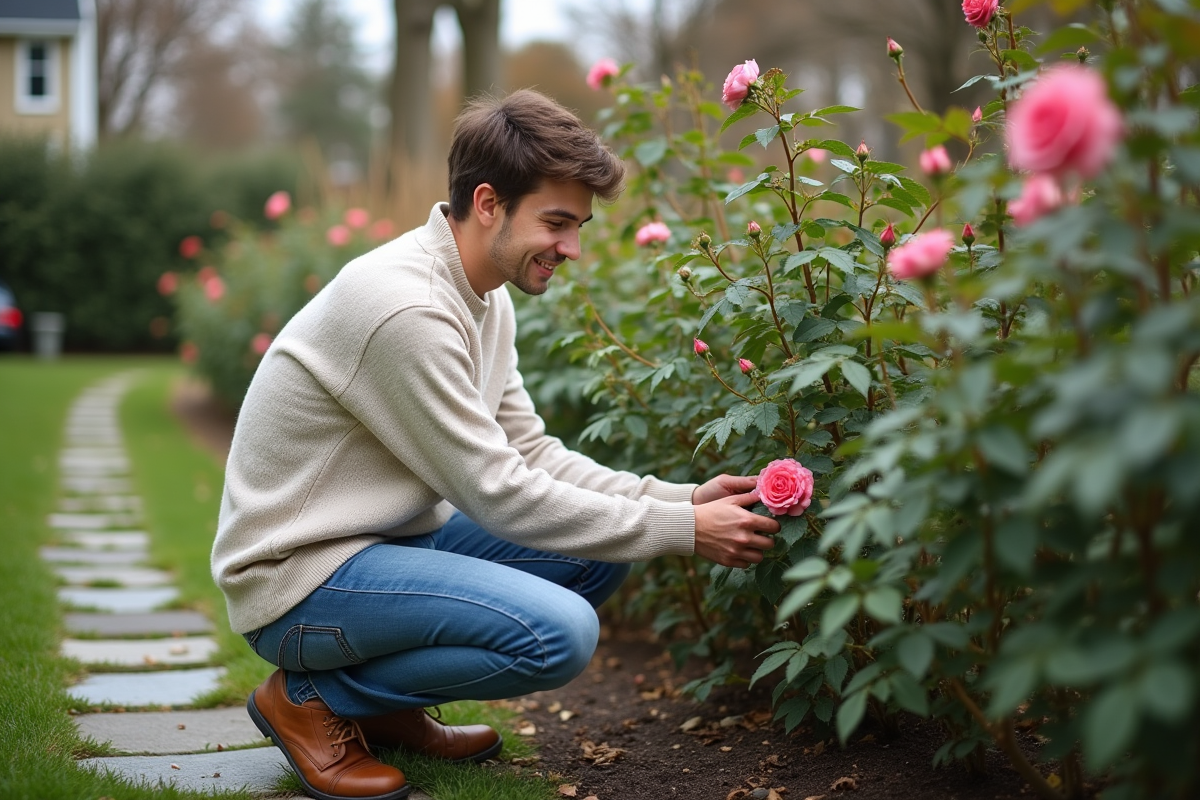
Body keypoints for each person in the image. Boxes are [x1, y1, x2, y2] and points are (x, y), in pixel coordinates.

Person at [211, 88, 780, 800]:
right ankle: (310, 698)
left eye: (579, 226)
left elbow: (531, 454)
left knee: (599, 556)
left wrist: (677, 501)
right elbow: (498, 493)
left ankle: (380, 707)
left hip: (380, 546)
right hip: (298, 576)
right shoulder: (407, 309)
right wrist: (682, 530)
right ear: (488, 204)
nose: (571, 248)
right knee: (560, 634)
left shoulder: (485, 295)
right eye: (557, 223)